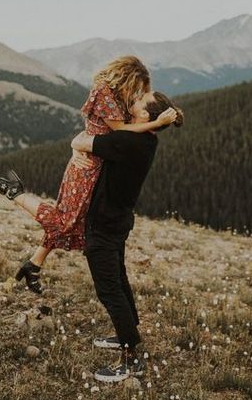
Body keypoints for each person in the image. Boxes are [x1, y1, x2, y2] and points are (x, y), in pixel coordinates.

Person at [0, 57, 177, 294]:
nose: (137, 96)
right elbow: (120, 132)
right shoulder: (104, 94)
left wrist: (78, 143)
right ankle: (13, 191)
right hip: (86, 167)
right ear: (128, 78)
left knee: (73, 221)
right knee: (66, 221)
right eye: (137, 89)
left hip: (96, 163)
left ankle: (33, 265)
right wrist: (155, 123)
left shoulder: (118, 95)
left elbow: (98, 131)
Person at [71, 90, 184, 383]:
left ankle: (131, 358)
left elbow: (82, 140)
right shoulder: (146, 140)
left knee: (109, 289)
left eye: (138, 101)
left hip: (105, 222)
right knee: (119, 280)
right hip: (119, 220)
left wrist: (76, 148)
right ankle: (127, 332)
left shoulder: (127, 141)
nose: (132, 101)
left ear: (145, 116)